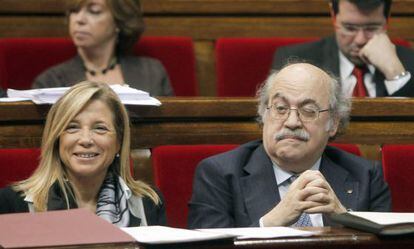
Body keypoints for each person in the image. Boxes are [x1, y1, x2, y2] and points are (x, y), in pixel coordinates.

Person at [188, 63, 391, 228]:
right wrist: (271, 223)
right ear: (264, 113)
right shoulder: (219, 174)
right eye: (281, 108)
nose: (292, 122)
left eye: (309, 110)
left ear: (333, 123)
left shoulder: (366, 176)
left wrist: (343, 219)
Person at [0, 81, 166, 227]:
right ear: (58, 139)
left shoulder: (147, 202)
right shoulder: (13, 203)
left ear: (118, 143)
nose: (86, 140)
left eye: (100, 128)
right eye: (72, 127)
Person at [272, 0, 414, 97]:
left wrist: (395, 73)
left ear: (386, 20)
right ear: (334, 17)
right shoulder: (296, 60)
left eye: (371, 28)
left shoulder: (409, 62)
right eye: (349, 28)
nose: (360, 40)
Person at [32, 0, 173, 96]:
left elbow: (170, 131)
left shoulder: (152, 73)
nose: (79, 19)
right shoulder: (50, 82)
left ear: (118, 21)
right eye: (74, 11)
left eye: (94, 11)